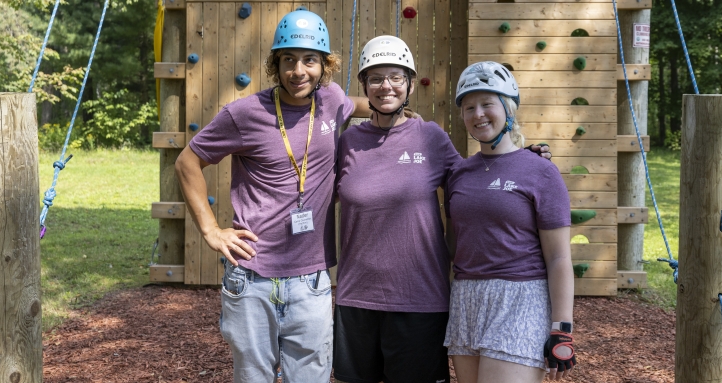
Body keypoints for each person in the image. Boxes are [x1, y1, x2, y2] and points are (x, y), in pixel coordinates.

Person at [332, 38, 551, 383]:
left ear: (408, 83)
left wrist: (519, 163)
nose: (385, 86)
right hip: (356, 297)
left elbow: (474, 179)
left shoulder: (430, 138)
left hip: (420, 299)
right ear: (364, 85)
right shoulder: (347, 143)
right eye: (375, 78)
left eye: (395, 77)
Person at [174, 10, 370, 383]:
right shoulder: (244, 114)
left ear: (325, 65)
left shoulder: (331, 101)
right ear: (275, 64)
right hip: (251, 279)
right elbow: (187, 162)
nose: (299, 71)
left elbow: (354, 106)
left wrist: (388, 109)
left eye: (310, 60)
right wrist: (212, 231)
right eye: (288, 60)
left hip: (311, 279)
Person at [443, 61, 576, 383]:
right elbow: (454, 243)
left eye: (488, 104)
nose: (478, 114)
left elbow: (559, 257)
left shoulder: (541, 171)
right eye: (469, 107)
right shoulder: (459, 173)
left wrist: (562, 328)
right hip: (466, 299)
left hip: (520, 298)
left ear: (508, 108)